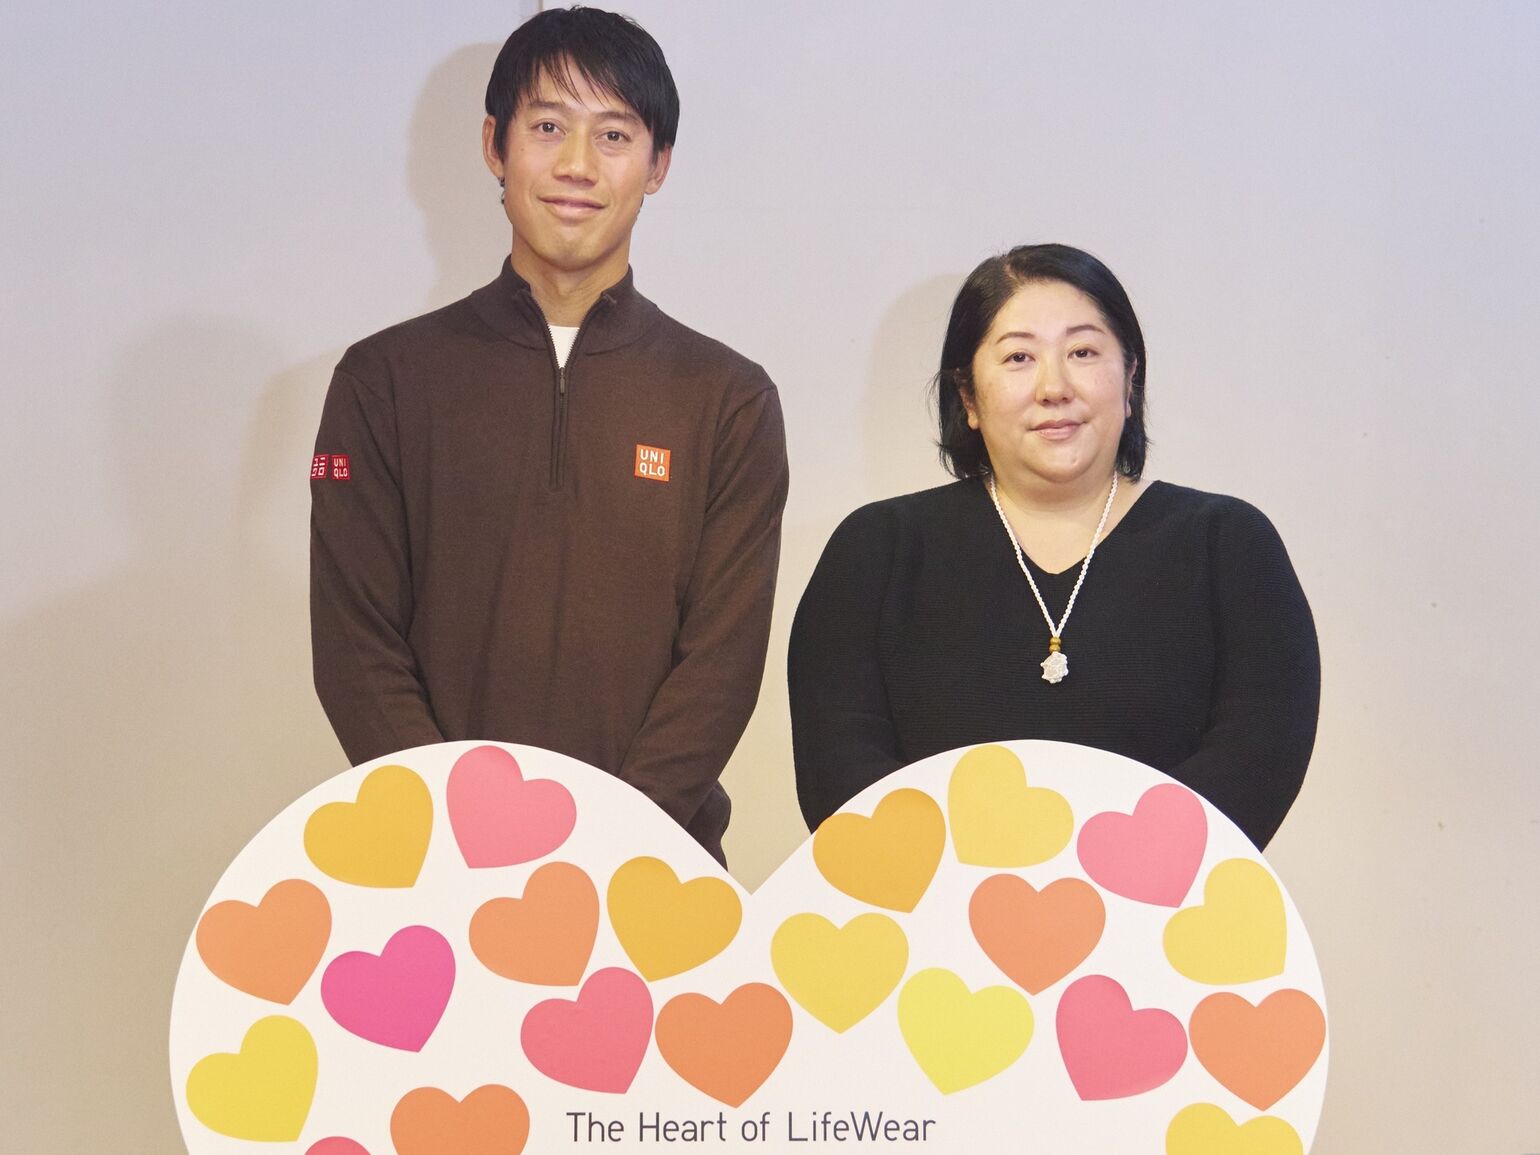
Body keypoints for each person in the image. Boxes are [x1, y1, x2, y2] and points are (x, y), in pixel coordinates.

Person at [310, 7, 788, 865]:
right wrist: (461, 835)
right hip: (438, 873)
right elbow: (357, 649)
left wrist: (607, 852)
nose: (577, 165)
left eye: (614, 135)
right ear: (494, 145)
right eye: (547, 127)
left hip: (657, 874)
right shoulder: (383, 380)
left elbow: (721, 667)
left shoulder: (727, 398)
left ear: (658, 165)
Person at [788, 244, 1317, 848]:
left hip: (1172, 900)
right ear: (968, 397)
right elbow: (841, 777)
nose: (1054, 387)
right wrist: (973, 887)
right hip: (922, 903)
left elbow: (1257, 761)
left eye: (1083, 352)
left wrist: (1111, 879)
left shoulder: (1230, 546)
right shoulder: (876, 552)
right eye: (1018, 357)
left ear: (1130, 377)